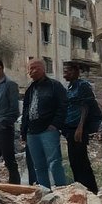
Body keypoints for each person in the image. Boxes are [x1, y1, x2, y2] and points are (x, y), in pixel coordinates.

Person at [21, 59, 67, 188]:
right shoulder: (30, 89)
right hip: (32, 133)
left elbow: (63, 106)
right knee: (38, 166)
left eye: (35, 68)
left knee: (54, 163)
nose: (31, 71)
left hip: (48, 131)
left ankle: (61, 192)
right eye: (30, 68)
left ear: (43, 69)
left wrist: (55, 125)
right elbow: (26, 111)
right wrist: (24, 131)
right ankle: (45, 194)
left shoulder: (54, 85)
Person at [62, 62, 100, 192]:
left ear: (75, 71)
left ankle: (91, 190)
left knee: (82, 161)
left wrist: (80, 128)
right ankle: (80, 189)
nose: (64, 74)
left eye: (67, 71)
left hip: (79, 128)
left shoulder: (82, 86)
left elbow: (86, 106)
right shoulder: (70, 87)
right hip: (70, 128)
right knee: (74, 162)